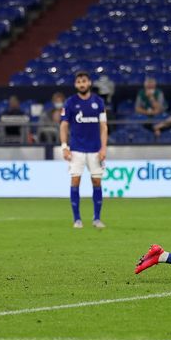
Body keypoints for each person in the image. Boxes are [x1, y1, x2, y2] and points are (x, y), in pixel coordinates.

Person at [60, 71, 108, 229]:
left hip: (95, 149)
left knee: (97, 181)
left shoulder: (98, 102)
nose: (81, 84)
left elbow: (103, 126)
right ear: (76, 84)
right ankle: (77, 219)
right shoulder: (70, 103)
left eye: (84, 81)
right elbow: (64, 125)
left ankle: (97, 219)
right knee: (75, 181)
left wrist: (103, 148)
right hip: (76, 149)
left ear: (89, 83)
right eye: (79, 82)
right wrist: (64, 147)